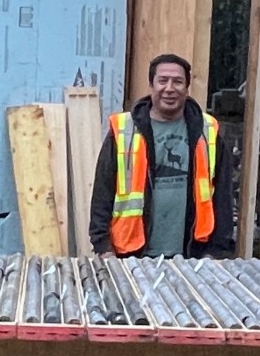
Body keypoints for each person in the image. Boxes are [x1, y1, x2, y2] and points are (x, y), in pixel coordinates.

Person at [89, 53, 233, 258]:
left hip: (193, 256)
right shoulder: (124, 130)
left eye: (178, 82)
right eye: (162, 81)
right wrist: (103, 246)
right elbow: (102, 192)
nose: (169, 88)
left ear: (187, 88)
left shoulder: (207, 130)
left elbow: (223, 195)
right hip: (131, 254)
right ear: (151, 85)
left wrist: (217, 251)